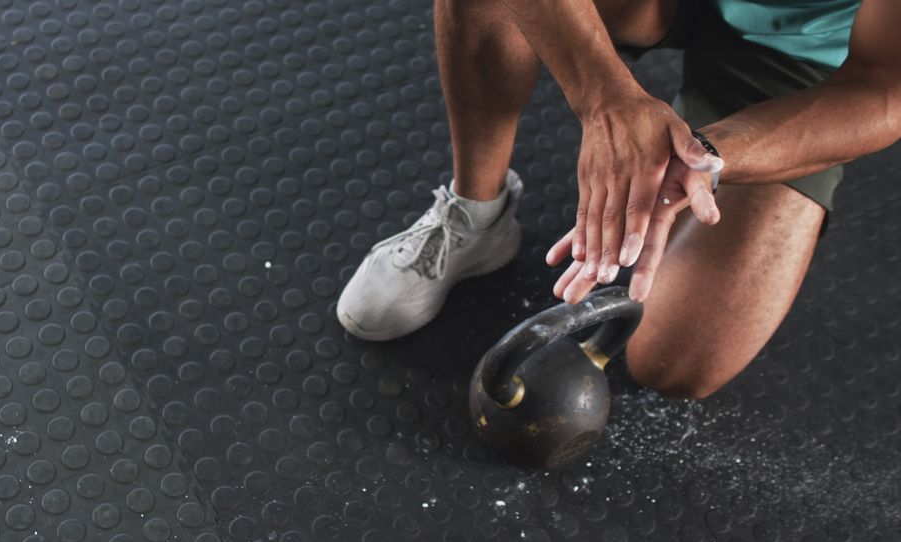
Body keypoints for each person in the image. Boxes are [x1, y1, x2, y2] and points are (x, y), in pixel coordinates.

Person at [336, 0, 901, 399]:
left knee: (675, 364)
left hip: (806, 56)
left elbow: (885, 89)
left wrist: (703, 156)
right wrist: (603, 96)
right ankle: (476, 213)